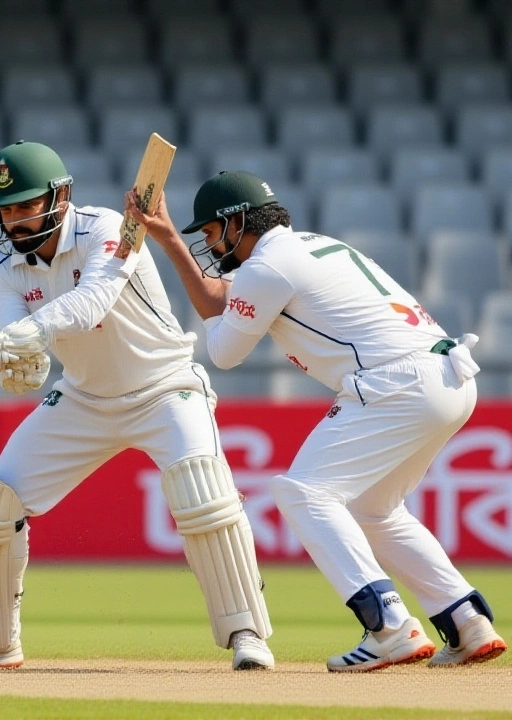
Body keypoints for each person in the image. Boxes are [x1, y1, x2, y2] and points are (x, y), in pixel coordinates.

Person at [124, 169, 506, 672]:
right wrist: (169, 239)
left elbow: (224, 351)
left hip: (397, 383)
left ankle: (388, 624)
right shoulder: (306, 247)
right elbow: (222, 301)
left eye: (212, 233)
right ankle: (467, 622)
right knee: (375, 510)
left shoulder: (267, 268)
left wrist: (172, 246)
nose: (210, 246)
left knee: (302, 491)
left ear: (237, 222)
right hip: (449, 378)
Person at [0, 142, 273, 670]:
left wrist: (28, 331)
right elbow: (29, 339)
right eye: (5, 210)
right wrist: (21, 357)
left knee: (202, 492)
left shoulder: (107, 228)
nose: (13, 221)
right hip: (85, 397)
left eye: (24, 206)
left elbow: (92, 304)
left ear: (60, 197)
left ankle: (247, 633)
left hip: (165, 386)